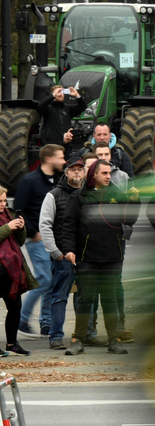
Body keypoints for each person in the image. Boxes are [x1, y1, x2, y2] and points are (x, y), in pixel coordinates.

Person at [66, 160, 133, 356]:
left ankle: (114, 340)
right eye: (104, 173)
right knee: (85, 299)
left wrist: (134, 202)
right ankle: (78, 339)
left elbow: (129, 220)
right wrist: (69, 249)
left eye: (109, 173)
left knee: (110, 299)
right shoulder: (79, 196)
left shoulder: (117, 194)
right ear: (93, 174)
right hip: (87, 256)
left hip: (112, 256)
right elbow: (69, 225)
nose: (108, 176)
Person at [14, 144, 63, 340]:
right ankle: (22, 320)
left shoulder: (57, 180)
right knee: (44, 280)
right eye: (60, 157)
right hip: (36, 239)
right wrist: (33, 231)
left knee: (51, 282)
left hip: (52, 238)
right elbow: (19, 210)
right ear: (49, 158)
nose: (63, 161)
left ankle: (46, 324)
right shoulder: (30, 181)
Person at [38, 153, 87, 350]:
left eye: (80, 169)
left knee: (85, 297)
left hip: (85, 256)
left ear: (84, 172)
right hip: (62, 256)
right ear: (66, 173)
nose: (77, 173)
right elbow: (45, 225)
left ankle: (85, 334)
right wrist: (55, 253)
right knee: (59, 296)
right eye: (73, 169)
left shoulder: (89, 194)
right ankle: (56, 335)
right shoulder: (54, 195)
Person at [0, 184, 31, 355]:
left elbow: (19, 241)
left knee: (15, 307)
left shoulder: (8, 214)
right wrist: (8, 227)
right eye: (0, 201)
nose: (3, 204)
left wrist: (21, 228)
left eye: (4, 201)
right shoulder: (7, 221)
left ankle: (12, 343)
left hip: (10, 270)